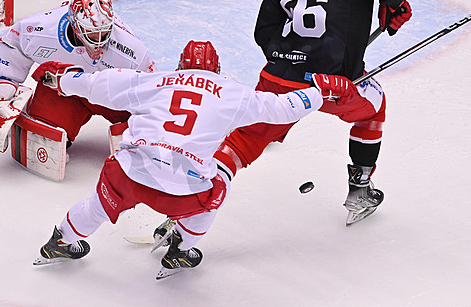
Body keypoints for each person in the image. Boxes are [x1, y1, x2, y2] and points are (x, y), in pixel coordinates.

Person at [32, 40, 354, 279]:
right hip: (184, 191)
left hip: (129, 174)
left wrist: (60, 79)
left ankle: (60, 241)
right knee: (218, 187)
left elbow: (98, 85)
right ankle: (181, 251)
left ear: (181, 65)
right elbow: (284, 108)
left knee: (96, 207)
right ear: (216, 68)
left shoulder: (155, 81)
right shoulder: (231, 91)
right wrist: (320, 91)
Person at [213, 0, 413, 225]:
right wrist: (396, 5)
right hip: (333, 84)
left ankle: (195, 197)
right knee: (374, 109)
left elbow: (264, 31)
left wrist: (292, 58)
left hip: (279, 78)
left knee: (246, 137)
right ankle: (360, 188)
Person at [0, 0, 156, 154]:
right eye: (92, 33)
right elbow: (11, 46)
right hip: (63, 91)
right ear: (75, 24)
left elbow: (151, 91)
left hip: (111, 97)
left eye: (104, 33)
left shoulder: (132, 50)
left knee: (142, 125)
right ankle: (49, 120)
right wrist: (2, 90)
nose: (99, 41)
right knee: (41, 136)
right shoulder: (40, 29)